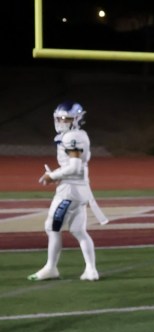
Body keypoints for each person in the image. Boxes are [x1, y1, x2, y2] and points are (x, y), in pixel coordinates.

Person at [30, 102, 102, 281]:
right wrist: (57, 175)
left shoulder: (71, 137)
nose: (61, 121)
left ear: (77, 119)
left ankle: (51, 267)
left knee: (51, 227)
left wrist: (52, 176)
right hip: (80, 188)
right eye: (59, 118)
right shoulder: (80, 135)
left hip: (69, 191)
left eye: (66, 118)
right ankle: (91, 270)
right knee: (78, 230)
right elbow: (77, 167)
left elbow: (75, 167)